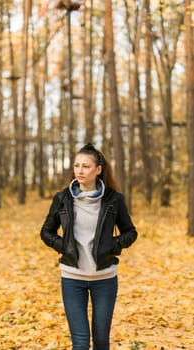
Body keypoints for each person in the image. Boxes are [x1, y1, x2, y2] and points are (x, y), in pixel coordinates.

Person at [40, 143, 138, 350]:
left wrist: (112, 245)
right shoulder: (62, 198)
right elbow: (46, 232)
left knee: (101, 342)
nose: (80, 170)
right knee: (81, 343)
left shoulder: (113, 200)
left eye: (86, 166)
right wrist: (64, 246)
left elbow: (130, 232)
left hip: (105, 279)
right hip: (72, 278)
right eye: (76, 166)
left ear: (98, 170)